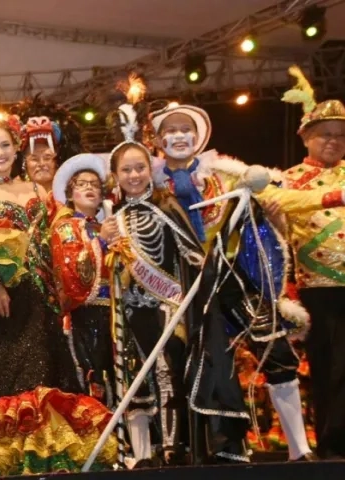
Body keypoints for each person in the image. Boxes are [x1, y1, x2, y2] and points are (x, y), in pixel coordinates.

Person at [0, 113, 117, 476]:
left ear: (17, 149)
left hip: (44, 298)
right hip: (8, 301)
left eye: (4, 145)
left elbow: (60, 243)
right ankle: (13, 466)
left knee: (50, 376)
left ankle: (47, 462)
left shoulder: (38, 192)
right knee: (12, 380)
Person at [150, 102, 317, 461]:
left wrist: (272, 209)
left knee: (277, 350)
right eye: (171, 131)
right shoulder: (149, 183)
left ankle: (299, 450)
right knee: (206, 370)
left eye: (185, 129)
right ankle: (223, 451)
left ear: (199, 135)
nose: (179, 136)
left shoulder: (225, 173)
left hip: (232, 279)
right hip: (184, 290)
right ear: (159, 138)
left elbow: (275, 196)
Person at [101, 78, 250, 467]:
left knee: (168, 376)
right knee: (139, 382)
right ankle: (143, 451)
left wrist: (196, 282)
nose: (133, 176)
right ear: (115, 176)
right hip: (132, 312)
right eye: (125, 171)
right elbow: (110, 274)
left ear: (148, 171)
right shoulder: (113, 218)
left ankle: (172, 446)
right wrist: (106, 245)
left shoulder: (166, 206)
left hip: (167, 308)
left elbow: (192, 255)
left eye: (138, 168)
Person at [278, 66, 345, 459]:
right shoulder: (289, 180)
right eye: (326, 134)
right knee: (330, 369)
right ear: (306, 137)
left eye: (340, 135)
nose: (334, 142)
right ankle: (335, 447)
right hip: (318, 289)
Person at [49, 153, 116, 409]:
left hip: (114, 312)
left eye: (95, 184)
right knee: (91, 375)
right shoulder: (66, 227)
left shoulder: (109, 225)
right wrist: (100, 242)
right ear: (70, 193)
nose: (89, 188)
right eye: (82, 184)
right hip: (85, 315)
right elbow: (72, 272)